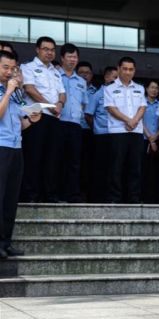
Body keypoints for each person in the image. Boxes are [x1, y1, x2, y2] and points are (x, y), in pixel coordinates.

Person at [0, 50, 42, 258]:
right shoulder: (9, 91)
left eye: (12, 68)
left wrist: (31, 119)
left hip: (16, 148)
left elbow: (20, 123)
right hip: (1, 147)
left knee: (10, 198)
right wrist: (7, 91)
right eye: (5, 67)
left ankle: (6, 242)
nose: (9, 72)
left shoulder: (17, 94)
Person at [20, 36, 66, 202]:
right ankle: (31, 195)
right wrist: (50, 106)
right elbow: (30, 89)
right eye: (45, 49)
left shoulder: (55, 71)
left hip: (54, 119)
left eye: (52, 50)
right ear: (37, 50)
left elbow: (62, 92)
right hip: (36, 117)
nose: (49, 52)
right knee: (34, 157)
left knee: (52, 158)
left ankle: (50, 195)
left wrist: (60, 103)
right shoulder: (28, 67)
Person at [103, 56, 146, 203]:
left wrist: (134, 121)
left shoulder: (139, 88)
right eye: (125, 69)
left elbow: (142, 107)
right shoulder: (109, 88)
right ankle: (115, 198)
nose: (128, 72)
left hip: (136, 132)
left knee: (135, 167)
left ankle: (133, 198)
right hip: (117, 132)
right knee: (116, 167)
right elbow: (111, 108)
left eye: (131, 69)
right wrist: (128, 120)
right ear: (119, 69)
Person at [58, 43, 89, 203]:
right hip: (58, 123)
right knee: (57, 160)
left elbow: (84, 103)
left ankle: (72, 195)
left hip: (76, 125)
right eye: (69, 56)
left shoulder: (81, 81)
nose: (72, 60)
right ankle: (56, 194)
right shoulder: (55, 76)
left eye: (75, 57)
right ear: (62, 58)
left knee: (74, 161)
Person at [85, 66, 117, 202]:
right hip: (101, 135)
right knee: (100, 167)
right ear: (106, 77)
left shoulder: (118, 93)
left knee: (114, 167)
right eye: (114, 77)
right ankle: (98, 197)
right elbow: (88, 114)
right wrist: (96, 127)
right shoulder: (98, 94)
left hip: (116, 135)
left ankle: (112, 196)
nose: (116, 81)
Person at [76, 61, 97, 201]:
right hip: (75, 129)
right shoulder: (72, 86)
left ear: (92, 75)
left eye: (87, 72)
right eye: (81, 72)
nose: (84, 75)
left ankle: (88, 193)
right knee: (74, 162)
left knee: (89, 164)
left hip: (91, 132)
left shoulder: (97, 92)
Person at [141, 79, 159, 203]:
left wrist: (156, 136)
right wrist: (150, 138)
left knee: (156, 171)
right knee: (143, 169)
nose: (154, 90)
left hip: (158, 140)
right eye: (152, 87)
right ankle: (142, 197)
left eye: (157, 88)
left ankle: (155, 198)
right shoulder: (141, 103)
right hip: (143, 139)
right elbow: (139, 121)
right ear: (146, 89)